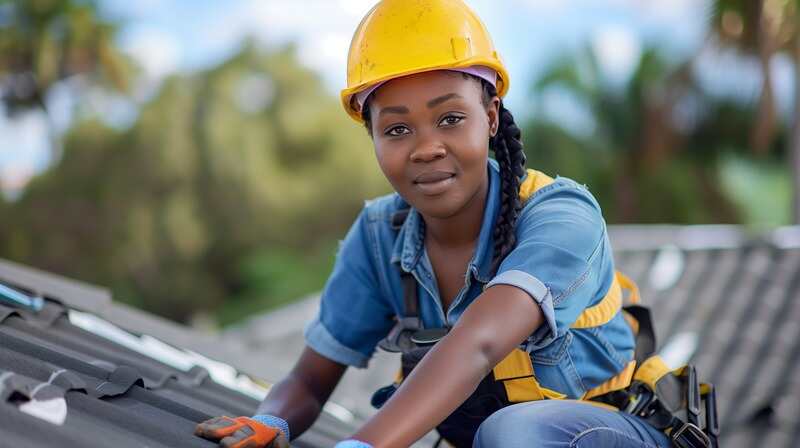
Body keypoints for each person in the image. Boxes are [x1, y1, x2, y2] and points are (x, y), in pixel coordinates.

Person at [194, 1, 675, 447]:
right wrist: (272, 419)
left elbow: (478, 344)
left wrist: (363, 444)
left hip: (612, 430)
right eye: (397, 129)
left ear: (489, 118)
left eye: (449, 118)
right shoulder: (378, 236)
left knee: (513, 431)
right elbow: (309, 379)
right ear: (374, 139)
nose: (425, 147)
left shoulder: (562, 217)